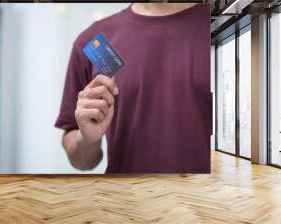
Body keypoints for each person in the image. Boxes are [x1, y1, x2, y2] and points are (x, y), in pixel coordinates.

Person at [55, 3, 212, 173]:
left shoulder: (227, 23)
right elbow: (81, 161)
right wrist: (87, 140)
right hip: (126, 197)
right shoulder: (94, 41)